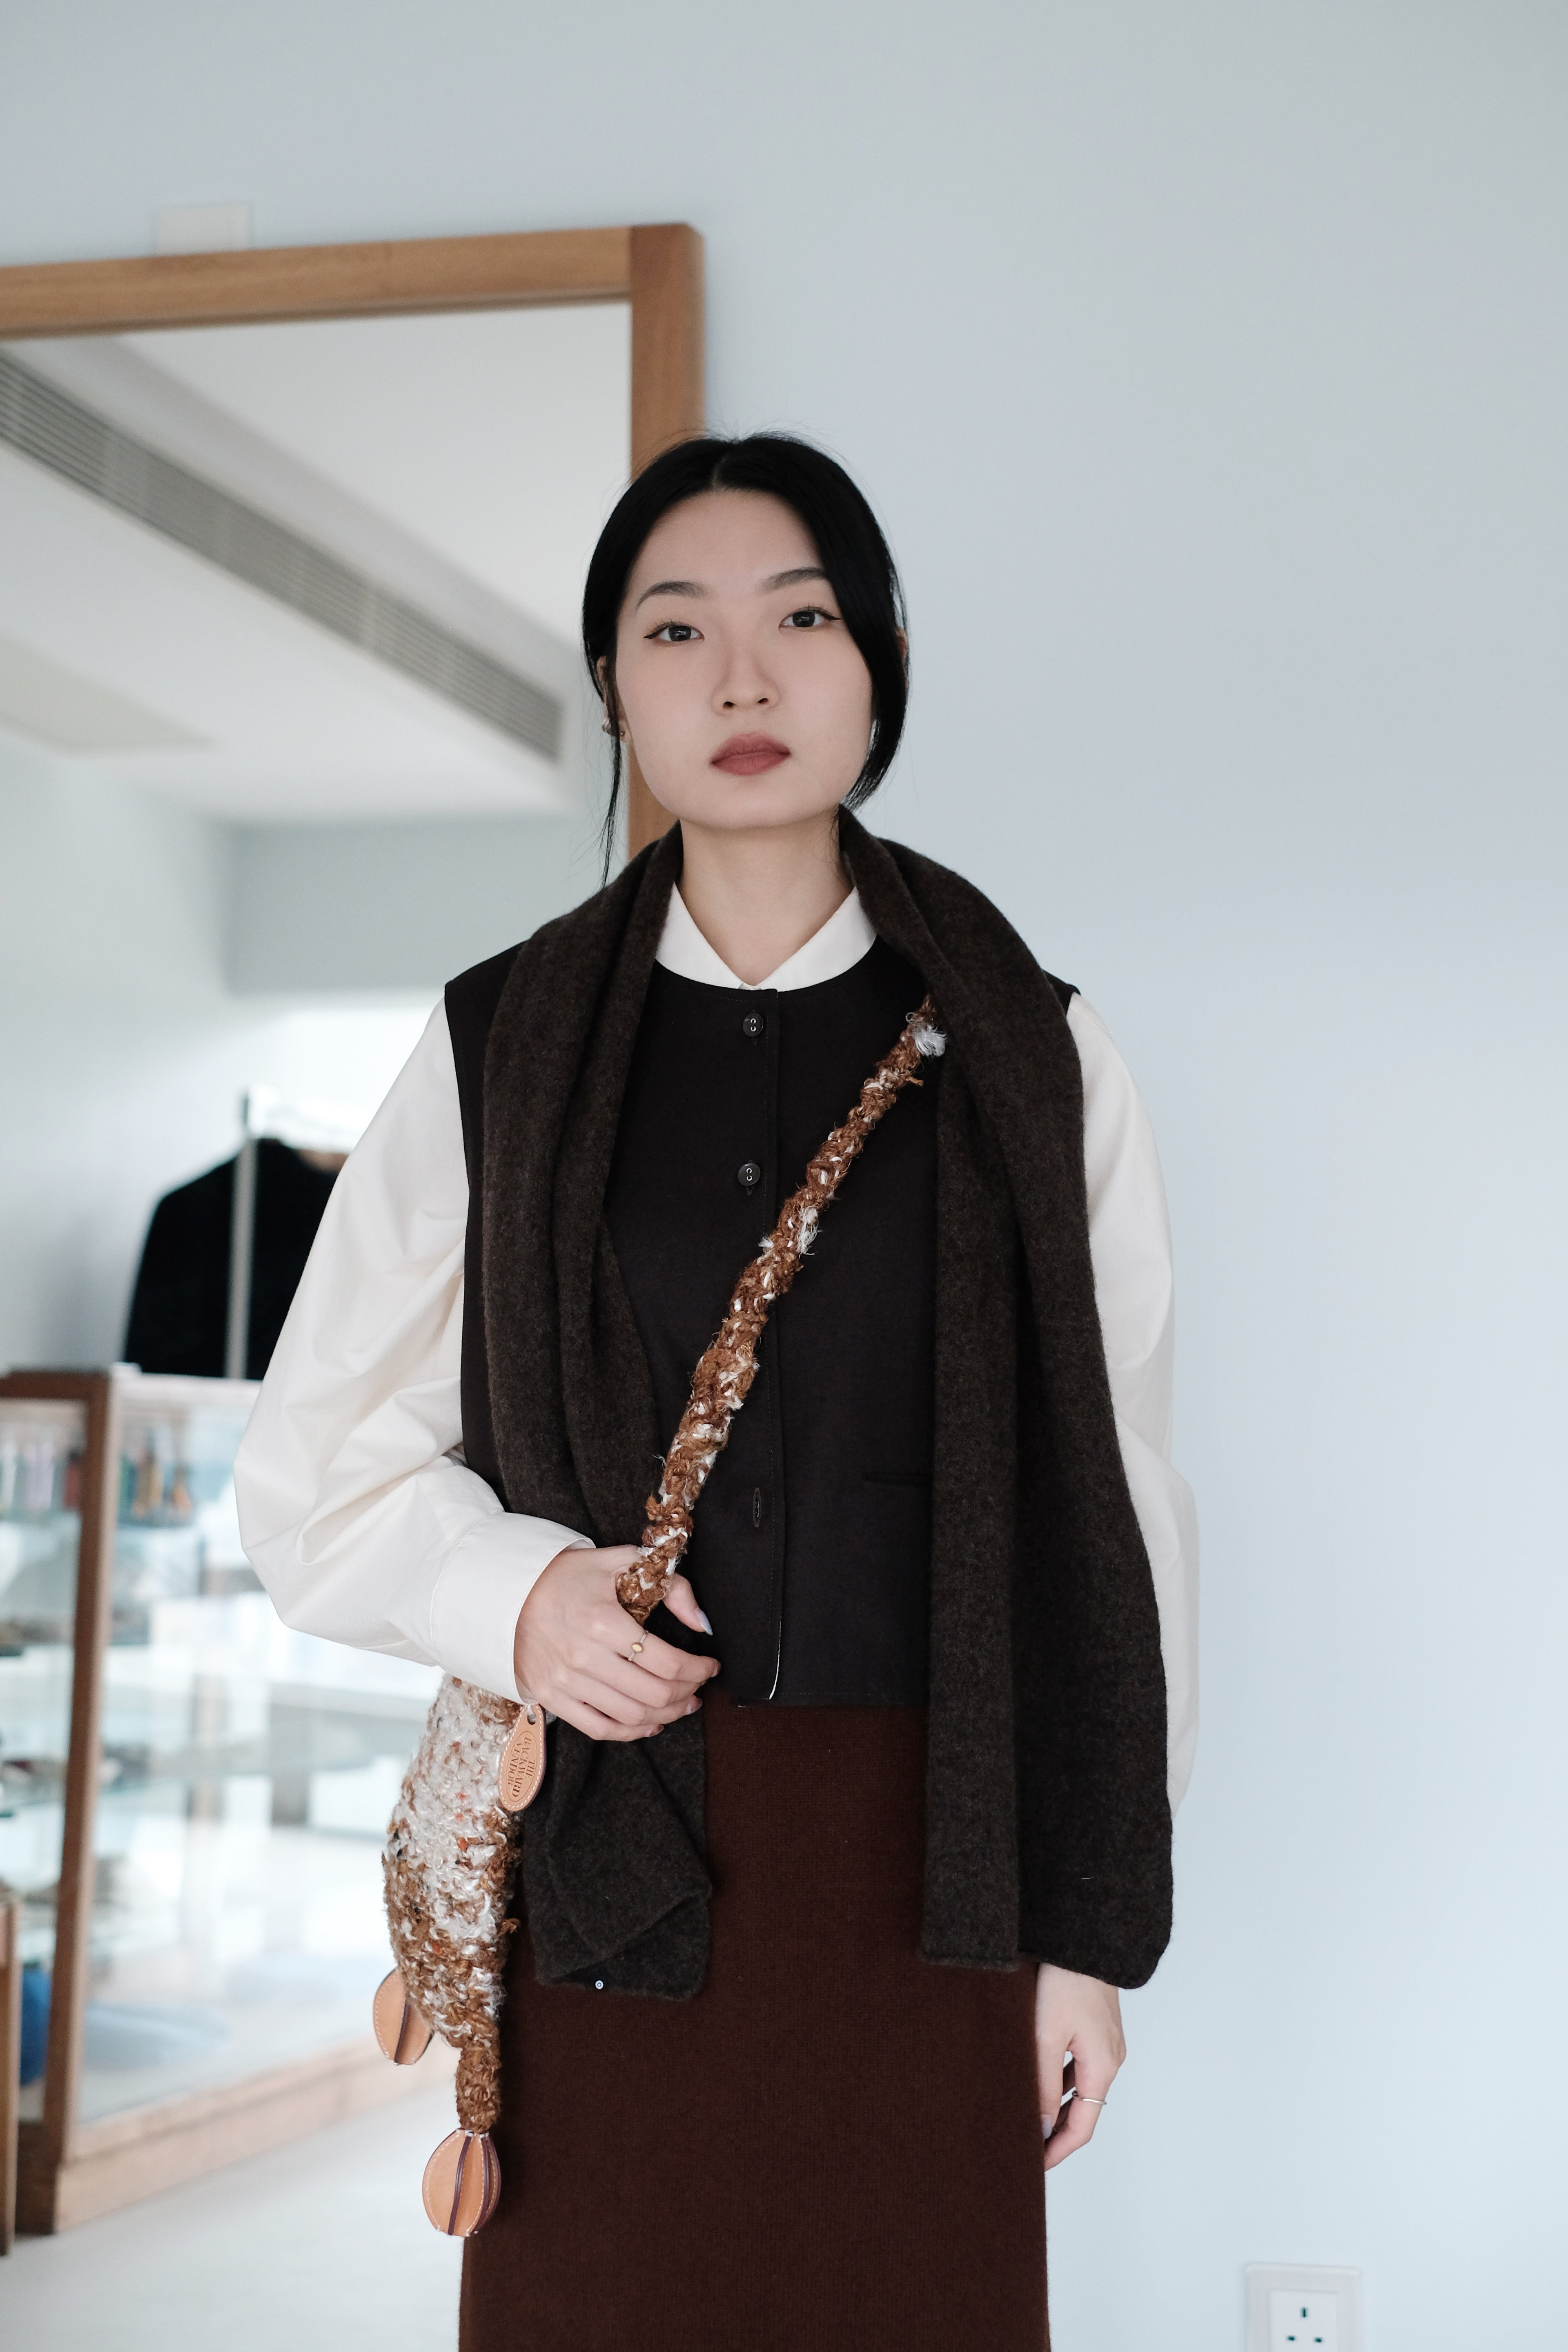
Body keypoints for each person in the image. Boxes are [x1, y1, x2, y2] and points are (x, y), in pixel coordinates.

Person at [235, 434, 1197, 2352]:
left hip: (945, 1866)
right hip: (609, 1870)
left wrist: (1089, 1937)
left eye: (801, 619)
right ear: (615, 682)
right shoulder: (496, 1041)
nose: (742, 677)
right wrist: (519, 1596)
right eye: (677, 629)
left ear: (879, 665)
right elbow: (312, 1468)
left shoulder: (1039, 1046)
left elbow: (1121, 1508)